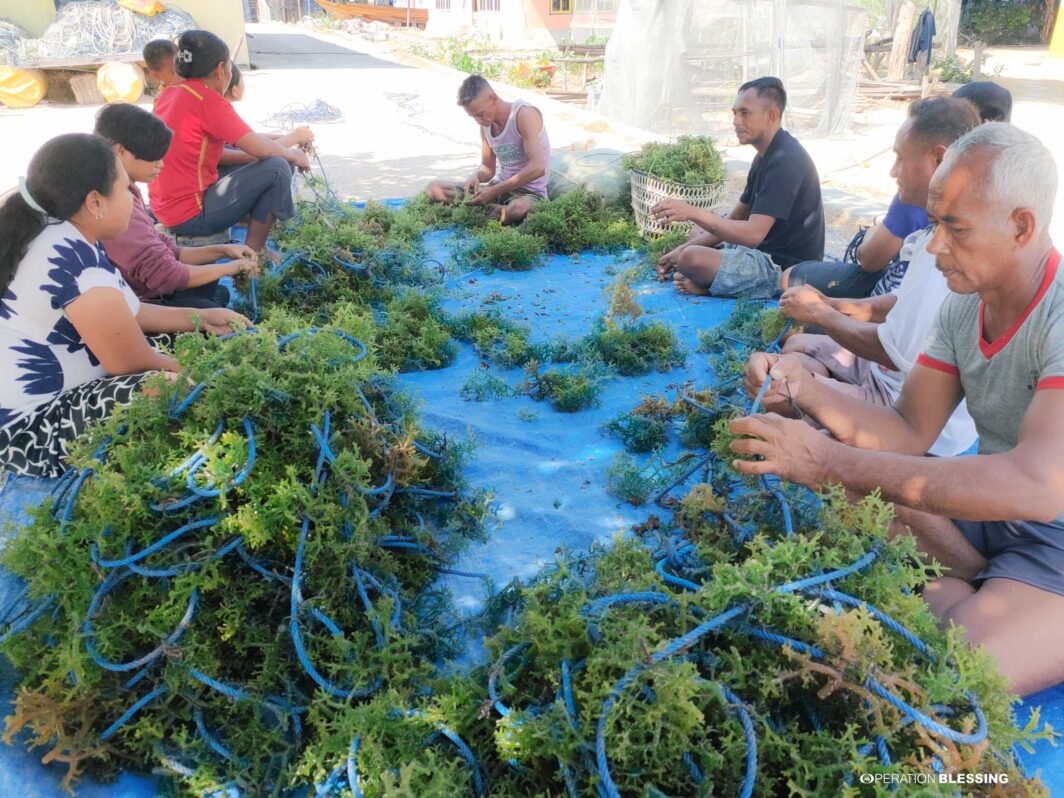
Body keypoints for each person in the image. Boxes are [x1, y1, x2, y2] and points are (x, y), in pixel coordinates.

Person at [733, 123, 1064, 697]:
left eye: (953, 227)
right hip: (997, 513)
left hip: (1050, 526)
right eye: (934, 224)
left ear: (1021, 226)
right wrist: (803, 393)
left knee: (959, 672)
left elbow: (1038, 485)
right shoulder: (968, 306)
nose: (934, 246)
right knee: (848, 501)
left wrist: (826, 461)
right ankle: (980, 583)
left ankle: (984, 594)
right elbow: (909, 431)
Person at [0, 134, 248, 478]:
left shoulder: (62, 230)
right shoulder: (74, 260)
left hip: (75, 379)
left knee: (189, 342)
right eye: (125, 189)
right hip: (34, 428)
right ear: (95, 202)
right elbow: (131, 363)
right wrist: (207, 378)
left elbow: (128, 311)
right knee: (170, 385)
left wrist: (201, 318)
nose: (134, 201)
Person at [759, 97, 980, 457]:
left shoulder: (948, 255)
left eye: (900, 159)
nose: (894, 172)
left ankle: (832, 419)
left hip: (904, 414)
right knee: (796, 351)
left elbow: (891, 352)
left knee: (774, 388)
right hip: (893, 378)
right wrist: (833, 304)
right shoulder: (933, 231)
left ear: (938, 160)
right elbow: (899, 303)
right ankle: (825, 393)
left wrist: (822, 315)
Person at [652, 77, 824, 299]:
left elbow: (753, 234)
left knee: (692, 259)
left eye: (744, 113)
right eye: (734, 113)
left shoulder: (785, 160)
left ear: (772, 115)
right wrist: (679, 250)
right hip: (758, 250)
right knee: (697, 234)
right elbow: (736, 218)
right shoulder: (764, 156)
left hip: (783, 268)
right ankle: (706, 277)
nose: (736, 121)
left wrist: (693, 213)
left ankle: (707, 285)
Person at [149, 30, 311, 252]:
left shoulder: (172, 93)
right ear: (220, 70)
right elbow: (260, 150)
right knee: (278, 167)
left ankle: (258, 237)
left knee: (270, 159)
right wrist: (294, 153)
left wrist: (286, 144)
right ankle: (253, 255)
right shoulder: (206, 100)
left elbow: (247, 138)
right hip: (190, 215)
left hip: (166, 207)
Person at [94, 103, 259, 309]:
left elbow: (165, 247)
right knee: (211, 306)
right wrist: (228, 269)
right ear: (121, 152)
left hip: (148, 292)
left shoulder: (127, 189)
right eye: (154, 157)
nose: (161, 164)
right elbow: (166, 275)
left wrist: (224, 250)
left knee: (215, 289)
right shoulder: (115, 206)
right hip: (141, 305)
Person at [426, 75, 550, 226]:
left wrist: (494, 191)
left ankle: (476, 211)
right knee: (435, 188)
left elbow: (538, 168)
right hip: (501, 190)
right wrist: (475, 176)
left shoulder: (524, 115)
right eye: (473, 117)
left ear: (492, 98)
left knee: (517, 209)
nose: (478, 121)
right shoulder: (485, 126)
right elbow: (487, 168)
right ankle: (494, 212)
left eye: (480, 114)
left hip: (529, 194)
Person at [221, 62, 315, 166]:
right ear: (234, 90)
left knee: (283, 157)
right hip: (215, 177)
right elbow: (255, 152)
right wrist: (293, 139)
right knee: (278, 165)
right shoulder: (221, 112)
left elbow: (249, 137)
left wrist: (288, 137)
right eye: (242, 79)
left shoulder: (218, 108)